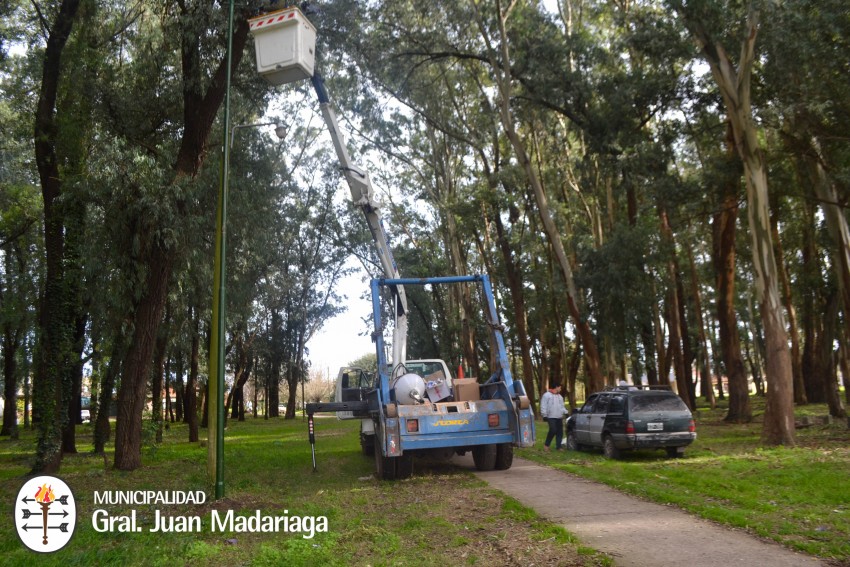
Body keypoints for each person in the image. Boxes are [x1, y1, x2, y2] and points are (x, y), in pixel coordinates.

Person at [540, 382, 567, 451]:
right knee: (553, 430)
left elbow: (562, 407)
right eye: (560, 388)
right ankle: (546, 445)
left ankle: (559, 447)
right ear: (556, 387)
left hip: (559, 417)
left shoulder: (560, 397)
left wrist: (566, 412)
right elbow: (543, 405)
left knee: (560, 432)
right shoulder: (546, 395)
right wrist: (544, 415)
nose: (560, 389)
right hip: (550, 416)